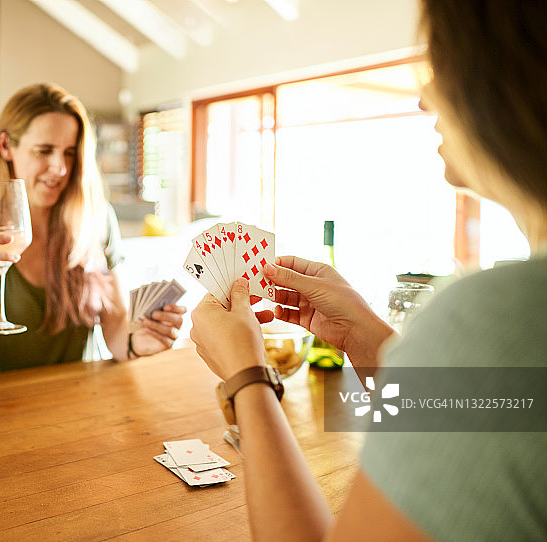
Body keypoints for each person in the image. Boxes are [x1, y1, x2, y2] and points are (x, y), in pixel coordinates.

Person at [190, 2, 547, 541]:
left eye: (440, 66)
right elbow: (499, 415)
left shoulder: (503, 315)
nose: (424, 98)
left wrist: (248, 379)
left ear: (503, 79)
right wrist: (369, 338)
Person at [0, 83, 185, 383]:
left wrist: (137, 343)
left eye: (69, 153)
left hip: (75, 404)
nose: (60, 169)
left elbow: (117, 331)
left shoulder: (97, 218)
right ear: (6, 146)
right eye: (44, 151)